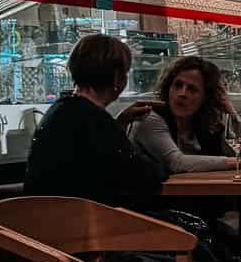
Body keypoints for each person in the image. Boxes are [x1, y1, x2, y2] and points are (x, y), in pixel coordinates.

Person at [25, 33, 163, 207]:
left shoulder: (63, 110)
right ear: (118, 77)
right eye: (126, 72)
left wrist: (120, 122)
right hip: (82, 224)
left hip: (48, 222)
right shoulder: (91, 119)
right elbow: (144, 175)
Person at [130, 55, 241, 174]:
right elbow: (176, 162)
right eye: (178, 85)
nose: (182, 93)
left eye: (192, 89)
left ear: (205, 97)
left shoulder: (208, 121)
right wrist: (235, 162)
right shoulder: (150, 117)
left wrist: (232, 112)